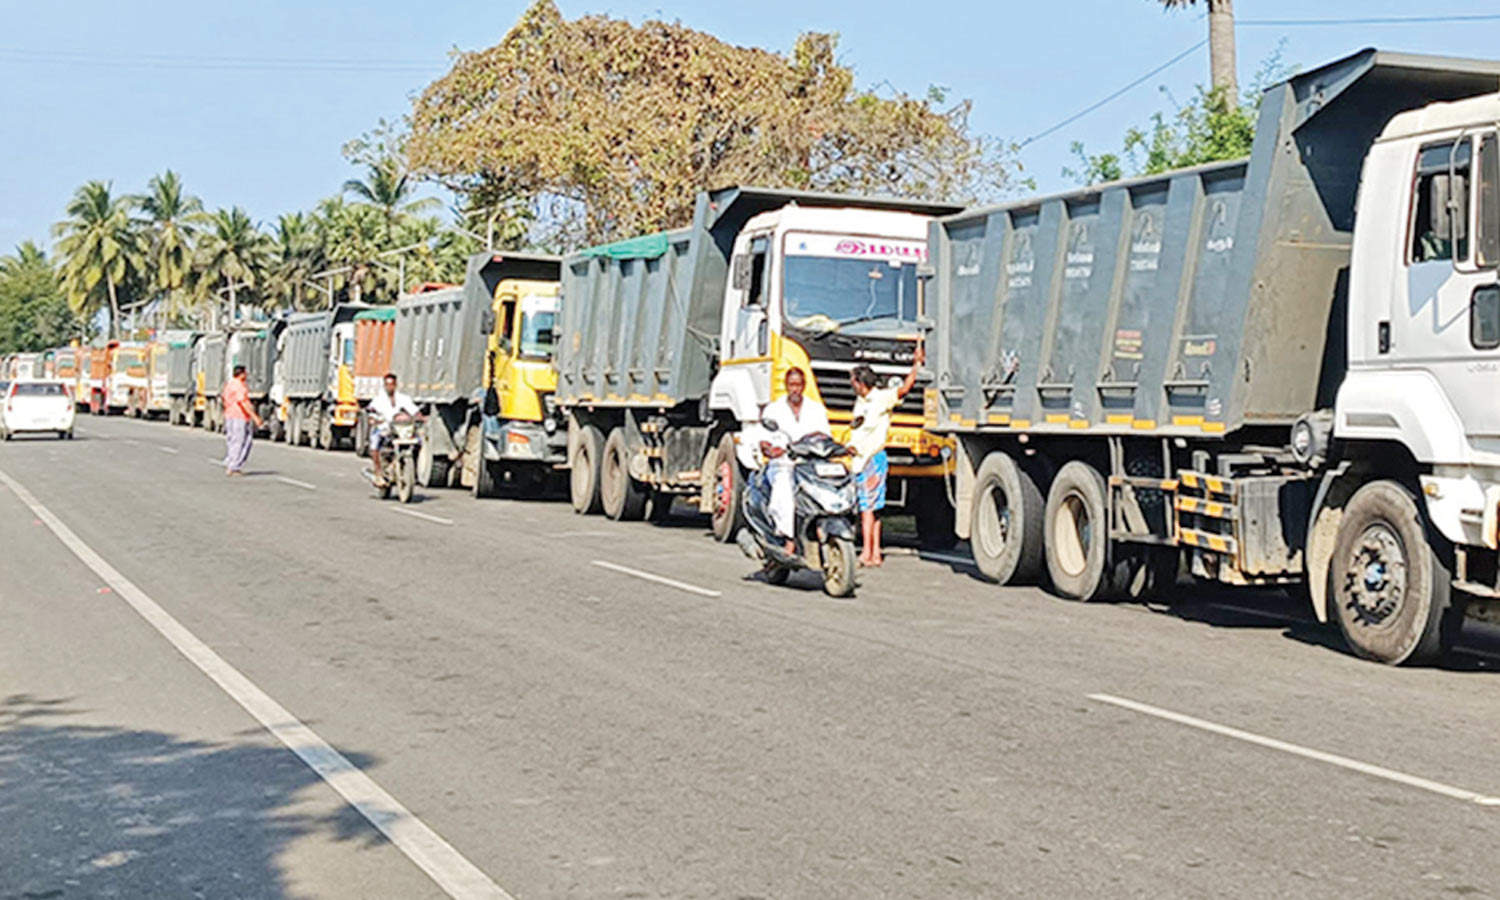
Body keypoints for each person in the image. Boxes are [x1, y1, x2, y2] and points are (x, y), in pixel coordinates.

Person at [848, 344, 924, 567]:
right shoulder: (860, 402)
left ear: (861, 382)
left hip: (873, 459)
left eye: (853, 381)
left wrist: (916, 364)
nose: (851, 385)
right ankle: (874, 553)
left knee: (867, 509)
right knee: (873, 510)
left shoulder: (881, 398)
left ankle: (868, 553)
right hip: (859, 460)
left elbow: (905, 388)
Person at [755, 367, 831, 554]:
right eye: (791, 385)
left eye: (798, 385)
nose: (795, 389)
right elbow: (763, 439)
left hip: (809, 464)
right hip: (783, 464)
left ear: (804, 386)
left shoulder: (816, 409)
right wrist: (769, 449)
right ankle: (789, 539)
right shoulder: (774, 409)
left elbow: (825, 435)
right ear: (786, 386)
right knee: (784, 491)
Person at [367, 372, 421, 487]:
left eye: (392, 384)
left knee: (419, 441)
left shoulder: (403, 399)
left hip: (400, 430)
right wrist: (373, 419)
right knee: (375, 445)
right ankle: (378, 473)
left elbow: (414, 410)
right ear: (384, 386)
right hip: (384, 428)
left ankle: (413, 469)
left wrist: (420, 417)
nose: (389, 387)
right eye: (387, 385)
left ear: (395, 385)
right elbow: (371, 412)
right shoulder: (378, 400)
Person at [222, 365, 263, 477]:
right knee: (241, 441)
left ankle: (231, 462)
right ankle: (234, 466)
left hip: (229, 415)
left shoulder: (229, 385)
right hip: (239, 416)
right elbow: (243, 402)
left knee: (232, 440)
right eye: (245, 373)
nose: (247, 375)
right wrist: (255, 417)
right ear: (241, 374)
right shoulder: (239, 386)